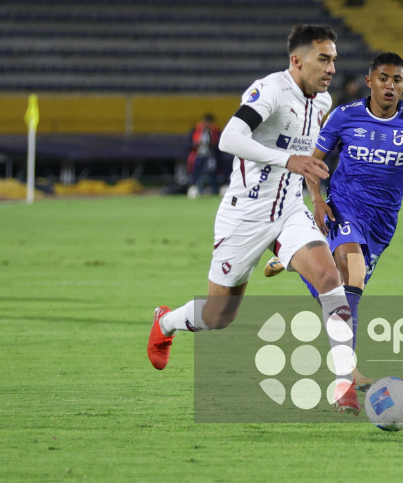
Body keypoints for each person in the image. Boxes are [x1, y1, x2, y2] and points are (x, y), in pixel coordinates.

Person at [147, 24, 361, 415]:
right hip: (244, 216)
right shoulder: (271, 90)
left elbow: (307, 157)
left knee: (331, 279)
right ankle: (166, 322)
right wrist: (288, 160)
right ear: (297, 60)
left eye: (334, 59)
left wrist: (315, 196)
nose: (331, 68)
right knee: (218, 316)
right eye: (324, 59)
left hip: (289, 210)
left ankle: (344, 382)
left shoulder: (323, 101)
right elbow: (229, 138)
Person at [263, 52, 403, 389]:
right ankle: (347, 372)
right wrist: (317, 200)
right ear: (369, 81)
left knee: (337, 290)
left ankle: (294, 257)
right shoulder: (344, 117)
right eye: (383, 78)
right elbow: (312, 163)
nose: (389, 86)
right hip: (344, 208)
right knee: (354, 275)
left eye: (396, 80)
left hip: (382, 223)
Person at [187, 113, 221, 197]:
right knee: (197, 173)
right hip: (198, 155)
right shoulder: (196, 130)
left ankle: (214, 191)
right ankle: (197, 190)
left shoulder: (215, 131)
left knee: (212, 173)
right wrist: (195, 144)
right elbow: (189, 143)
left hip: (211, 156)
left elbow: (218, 144)